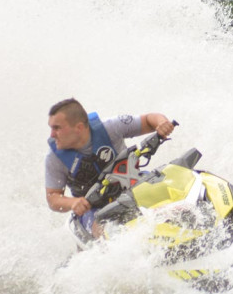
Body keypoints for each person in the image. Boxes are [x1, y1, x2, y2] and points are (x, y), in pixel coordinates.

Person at [45, 98, 174, 230]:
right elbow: (52, 197)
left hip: (133, 185)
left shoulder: (111, 127)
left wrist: (162, 123)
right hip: (94, 209)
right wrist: (72, 203)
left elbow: (148, 119)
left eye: (57, 128)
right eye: (51, 128)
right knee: (101, 227)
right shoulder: (54, 158)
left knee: (170, 186)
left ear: (79, 127)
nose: (52, 135)